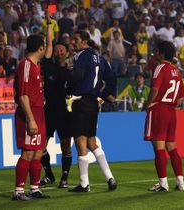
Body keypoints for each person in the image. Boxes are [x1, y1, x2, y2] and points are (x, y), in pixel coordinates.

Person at [68, 30, 117, 192]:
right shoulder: (101, 58)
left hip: (80, 101)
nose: (73, 42)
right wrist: (102, 95)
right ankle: (110, 178)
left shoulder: (81, 55)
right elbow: (112, 80)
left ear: (84, 42)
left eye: (76, 39)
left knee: (80, 141)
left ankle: (84, 183)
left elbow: (78, 75)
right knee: (92, 142)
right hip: (93, 103)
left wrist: (68, 87)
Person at [144, 40, 184, 192]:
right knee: (172, 148)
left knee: (159, 148)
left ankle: (163, 184)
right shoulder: (176, 70)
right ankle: (180, 181)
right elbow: (182, 96)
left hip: (159, 109)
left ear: (161, 54)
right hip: (171, 111)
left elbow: (154, 89)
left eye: (156, 51)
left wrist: (149, 103)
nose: (154, 53)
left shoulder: (160, 67)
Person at [13, 34, 49, 200]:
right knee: (27, 153)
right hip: (30, 114)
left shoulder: (35, 65)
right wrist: (31, 119)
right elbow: (23, 96)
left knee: (38, 152)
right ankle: (19, 191)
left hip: (38, 112)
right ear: (40, 48)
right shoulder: (26, 66)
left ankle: (34, 188)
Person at [39, 15, 72, 188]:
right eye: (56, 50)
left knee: (66, 146)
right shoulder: (49, 66)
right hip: (49, 111)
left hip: (65, 113)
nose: (58, 52)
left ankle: (65, 177)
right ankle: (49, 175)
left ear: (66, 53)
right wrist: (49, 24)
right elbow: (49, 43)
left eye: (62, 50)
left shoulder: (71, 73)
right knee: (41, 146)